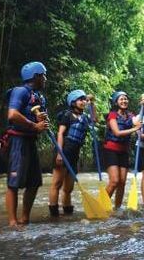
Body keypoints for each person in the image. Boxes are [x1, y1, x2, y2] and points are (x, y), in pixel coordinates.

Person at [5, 61, 49, 228]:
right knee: (13, 183)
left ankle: (25, 219)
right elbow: (12, 114)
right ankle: (12, 222)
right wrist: (34, 125)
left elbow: (39, 123)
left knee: (34, 182)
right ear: (35, 76)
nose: (45, 79)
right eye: (43, 75)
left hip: (30, 141)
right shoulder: (20, 92)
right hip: (18, 142)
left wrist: (40, 121)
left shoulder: (38, 97)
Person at [48, 89, 95, 217]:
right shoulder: (67, 115)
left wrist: (92, 104)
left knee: (69, 188)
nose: (83, 102)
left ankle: (67, 212)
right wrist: (59, 153)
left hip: (75, 153)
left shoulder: (84, 118)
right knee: (57, 183)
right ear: (73, 102)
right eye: (81, 100)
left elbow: (94, 119)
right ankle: (54, 213)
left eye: (84, 100)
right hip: (64, 150)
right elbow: (60, 133)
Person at [103, 91, 142, 209]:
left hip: (124, 151)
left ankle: (117, 208)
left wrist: (143, 108)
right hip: (111, 150)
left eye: (125, 99)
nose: (124, 101)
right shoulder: (112, 115)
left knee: (122, 182)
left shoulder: (130, 115)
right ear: (116, 102)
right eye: (121, 99)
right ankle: (102, 206)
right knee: (114, 181)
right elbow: (117, 132)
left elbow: (138, 121)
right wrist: (135, 129)